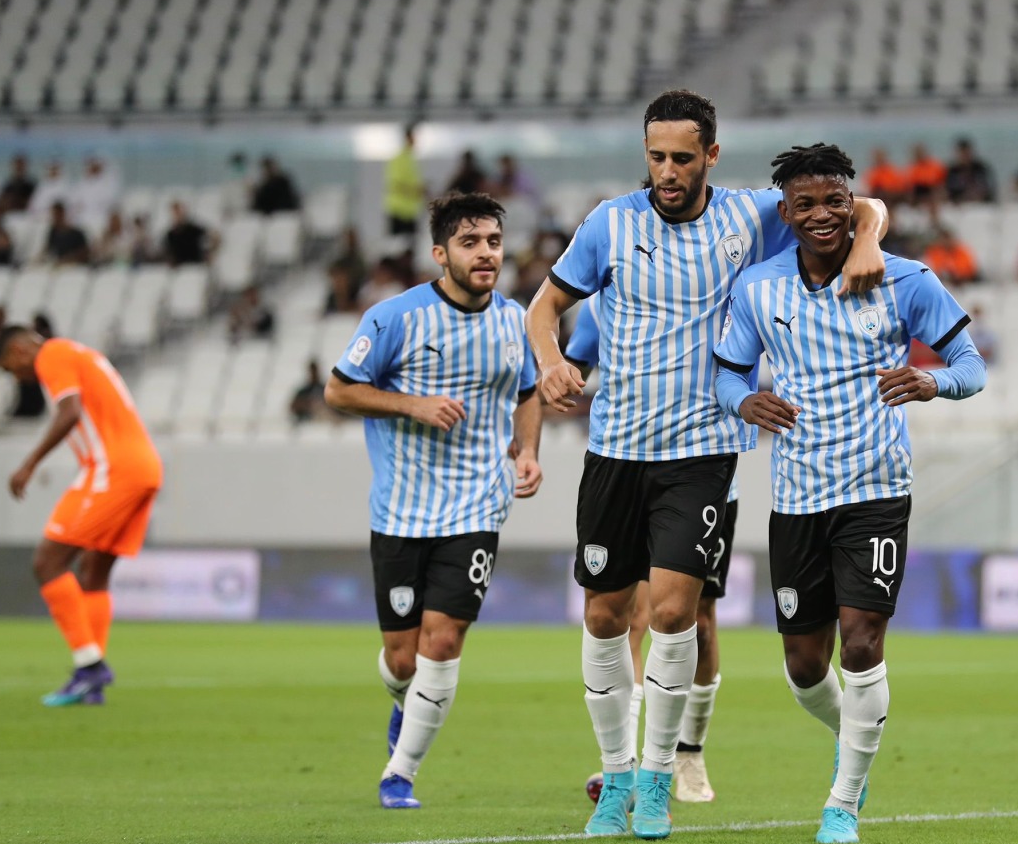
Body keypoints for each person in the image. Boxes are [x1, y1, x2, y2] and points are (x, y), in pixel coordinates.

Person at [524, 89, 888, 840]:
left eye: (682, 158)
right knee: (603, 616)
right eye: (656, 156)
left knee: (672, 613)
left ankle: (660, 777)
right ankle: (617, 776)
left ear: (711, 156)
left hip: (702, 451)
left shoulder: (748, 216)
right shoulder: (608, 223)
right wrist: (552, 361)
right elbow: (542, 308)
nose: (667, 171)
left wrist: (866, 243)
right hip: (615, 451)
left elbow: (861, 205)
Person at [714, 143, 986, 844]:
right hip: (797, 496)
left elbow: (970, 364)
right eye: (805, 204)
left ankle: (842, 802)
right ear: (786, 214)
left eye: (835, 201)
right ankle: (854, 735)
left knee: (861, 644)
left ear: (852, 204)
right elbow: (727, 373)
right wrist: (743, 402)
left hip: (876, 489)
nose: (821, 215)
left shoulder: (905, 279)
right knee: (805, 668)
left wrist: (932, 381)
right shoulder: (758, 288)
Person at [324, 191, 543, 809]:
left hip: (477, 508)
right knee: (402, 659)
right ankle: (406, 702)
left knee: (442, 643)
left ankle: (401, 773)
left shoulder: (515, 321)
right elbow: (339, 391)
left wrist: (527, 451)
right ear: (440, 254)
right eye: (470, 243)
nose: (486, 254)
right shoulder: (394, 318)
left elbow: (528, 392)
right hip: (401, 511)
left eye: (493, 242)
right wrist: (412, 404)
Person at [565, 292, 735, 803]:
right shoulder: (604, 301)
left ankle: (689, 751)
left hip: (701, 477)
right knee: (630, 618)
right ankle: (630, 764)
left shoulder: (720, 289)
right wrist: (556, 374)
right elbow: (576, 363)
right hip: (627, 470)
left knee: (696, 621)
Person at [0, 326, 164, 706]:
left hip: (113, 468)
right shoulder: (81, 354)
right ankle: (92, 683)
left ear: (19, 350)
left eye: (9, 367)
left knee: (48, 562)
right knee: (94, 570)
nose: (15, 377)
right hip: (144, 467)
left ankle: (89, 666)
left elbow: (69, 412)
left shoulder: (52, 355)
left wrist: (29, 464)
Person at [384, 125, 427, 238]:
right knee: (399, 244)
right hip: (399, 210)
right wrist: (416, 191)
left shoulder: (411, 159)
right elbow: (396, 185)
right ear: (408, 137)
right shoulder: (399, 159)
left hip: (410, 211)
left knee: (410, 243)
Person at [163, 201, 214, 266]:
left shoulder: (194, 230)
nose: (177, 215)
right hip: (180, 269)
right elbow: (168, 253)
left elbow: (213, 236)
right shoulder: (170, 235)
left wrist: (210, 252)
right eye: (175, 213)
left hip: (197, 267)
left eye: (179, 212)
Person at [944, 138, 996, 203]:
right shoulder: (952, 171)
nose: (965, 156)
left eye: (967, 153)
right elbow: (947, 190)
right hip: (958, 204)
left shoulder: (981, 169)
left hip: (980, 203)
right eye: (962, 153)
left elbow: (989, 188)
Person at [42, 201, 90, 266]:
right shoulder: (53, 232)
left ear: (62, 214)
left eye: (55, 214)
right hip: (60, 264)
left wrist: (67, 259)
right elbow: (48, 248)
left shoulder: (76, 233)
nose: (53, 218)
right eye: (52, 215)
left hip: (75, 265)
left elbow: (84, 253)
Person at [905, 143, 947, 207]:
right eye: (917, 153)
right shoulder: (912, 168)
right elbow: (909, 185)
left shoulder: (935, 165)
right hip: (919, 193)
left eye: (920, 152)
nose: (919, 154)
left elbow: (942, 181)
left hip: (933, 190)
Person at [290, 359, 328, 423]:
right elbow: (293, 407)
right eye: (312, 371)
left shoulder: (325, 390)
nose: (314, 374)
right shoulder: (303, 391)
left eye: (315, 371)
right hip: (308, 421)